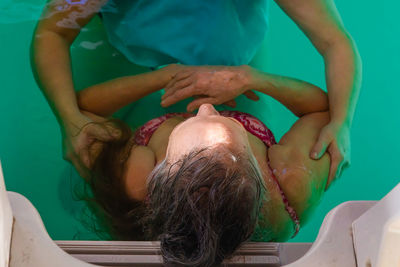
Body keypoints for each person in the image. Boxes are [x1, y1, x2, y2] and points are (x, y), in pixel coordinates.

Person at [31, 0, 361, 187]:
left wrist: (343, 121)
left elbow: (335, 40)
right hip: (139, 58)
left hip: (237, 59)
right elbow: (51, 33)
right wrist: (68, 119)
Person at [74, 63, 330, 266]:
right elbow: (321, 111)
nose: (206, 106)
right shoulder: (290, 185)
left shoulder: (136, 181)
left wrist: (166, 76)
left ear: (159, 177)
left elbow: (83, 111)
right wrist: (251, 78)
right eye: (228, 123)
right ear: (258, 171)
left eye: (185, 127)